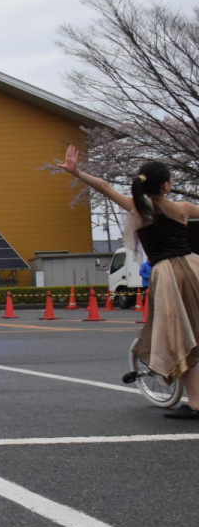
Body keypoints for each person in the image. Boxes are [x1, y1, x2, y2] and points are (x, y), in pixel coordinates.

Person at [56, 146, 199, 417]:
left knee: (179, 336)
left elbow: (105, 187)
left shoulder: (140, 209)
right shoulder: (182, 208)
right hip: (193, 267)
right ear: (166, 185)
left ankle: (195, 404)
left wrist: (77, 172)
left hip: (167, 273)